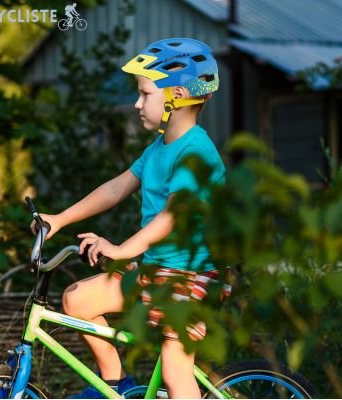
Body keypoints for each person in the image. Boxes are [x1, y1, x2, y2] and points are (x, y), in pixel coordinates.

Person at [31, 38, 228, 398]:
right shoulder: (158, 148)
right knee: (77, 299)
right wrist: (59, 219)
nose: (137, 104)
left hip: (191, 277)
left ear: (178, 95)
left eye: (145, 94)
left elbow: (172, 216)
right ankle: (115, 384)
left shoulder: (196, 152)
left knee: (174, 368)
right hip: (156, 270)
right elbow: (115, 189)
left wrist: (121, 250)